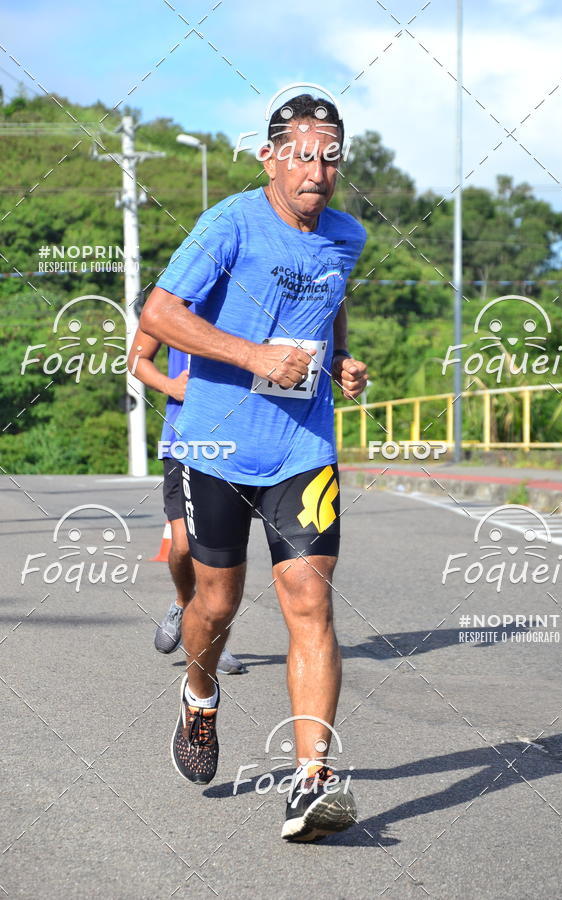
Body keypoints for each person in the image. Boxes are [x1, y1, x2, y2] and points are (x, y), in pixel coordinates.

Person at [141, 93, 368, 842]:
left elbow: (330, 297)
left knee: (310, 599)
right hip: (216, 444)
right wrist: (249, 355)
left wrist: (340, 358)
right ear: (271, 156)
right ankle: (200, 693)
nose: (318, 169)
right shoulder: (230, 221)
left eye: (331, 155)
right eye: (303, 153)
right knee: (216, 603)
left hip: (303, 448)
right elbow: (159, 314)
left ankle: (312, 781)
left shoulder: (347, 236)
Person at [127, 331, 243, 674]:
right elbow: (136, 359)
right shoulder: (178, 299)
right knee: (181, 545)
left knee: (219, 553)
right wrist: (170, 386)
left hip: (234, 443)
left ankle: (211, 641)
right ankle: (182, 603)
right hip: (184, 442)